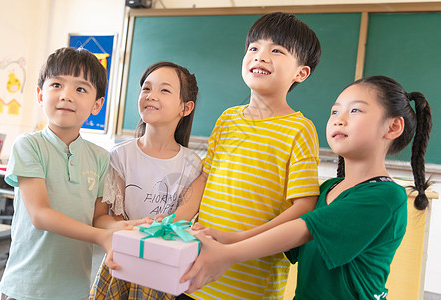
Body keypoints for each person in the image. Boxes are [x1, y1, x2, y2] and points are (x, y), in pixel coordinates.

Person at [181, 75, 432, 299]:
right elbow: (285, 239)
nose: (339, 120)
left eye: (355, 111)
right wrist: (230, 238)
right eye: (334, 112)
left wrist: (227, 253)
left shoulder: (387, 196)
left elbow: (303, 229)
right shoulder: (328, 189)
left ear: (393, 127)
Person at [177, 12, 322, 300]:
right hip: (196, 272)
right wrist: (177, 222)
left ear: (300, 73)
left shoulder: (300, 129)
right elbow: (205, 178)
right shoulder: (227, 118)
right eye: (253, 48)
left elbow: (304, 206)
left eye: (276, 50)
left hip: (251, 284)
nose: (261, 56)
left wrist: (238, 241)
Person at [0, 47, 142, 300]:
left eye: (80, 89)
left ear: (97, 104)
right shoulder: (29, 145)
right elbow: (40, 214)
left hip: (75, 289)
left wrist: (122, 228)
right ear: (40, 95)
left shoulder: (100, 157)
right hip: (26, 287)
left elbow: (98, 217)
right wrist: (103, 236)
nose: (66, 96)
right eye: (56, 85)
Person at [89, 61, 203, 300]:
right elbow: (104, 218)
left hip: (168, 267)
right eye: (146, 88)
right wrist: (128, 227)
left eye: (164, 90)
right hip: (124, 261)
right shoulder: (120, 155)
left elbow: (182, 219)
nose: (151, 96)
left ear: (186, 107)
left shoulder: (193, 165)